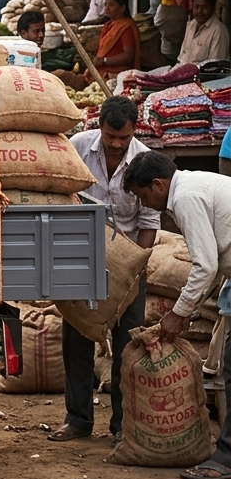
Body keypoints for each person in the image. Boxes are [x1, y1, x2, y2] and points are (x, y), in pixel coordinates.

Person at [48, 97, 159, 444]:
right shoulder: (78, 146)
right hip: (82, 258)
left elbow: (149, 220)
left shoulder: (143, 159)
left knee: (127, 344)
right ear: (99, 127)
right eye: (110, 135)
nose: (114, 144)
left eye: (122, 138)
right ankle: (78, 419)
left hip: (126, 265)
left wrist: (135, 265)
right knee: (77, 340)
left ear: (133, 132)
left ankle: (121, 426)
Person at [123, 151, 231, 479]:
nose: (146, 204)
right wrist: (189, 311)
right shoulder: (198, 184)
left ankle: (226, 458)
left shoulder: (185, 196)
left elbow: (205, 264)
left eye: (144, 196)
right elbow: (213, 262)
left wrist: (178, 314)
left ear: (158, 184)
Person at [95, 0, 140, 79]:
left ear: (122, 8)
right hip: (104, 70)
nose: (107, 8)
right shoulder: (109, 25)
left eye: (111, 5)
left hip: (117, 74)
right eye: (105, 4)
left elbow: (128, 56)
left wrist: (104, 60)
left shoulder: (126, 26)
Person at [178, 0, 230, 65]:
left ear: (213, 8)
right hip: (182, 72)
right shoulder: (191, 24)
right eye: (196, 7)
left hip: (201, 76)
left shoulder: (218, 31)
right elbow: (182, 57)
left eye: (204, 7)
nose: (199, 11)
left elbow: (215, 67)